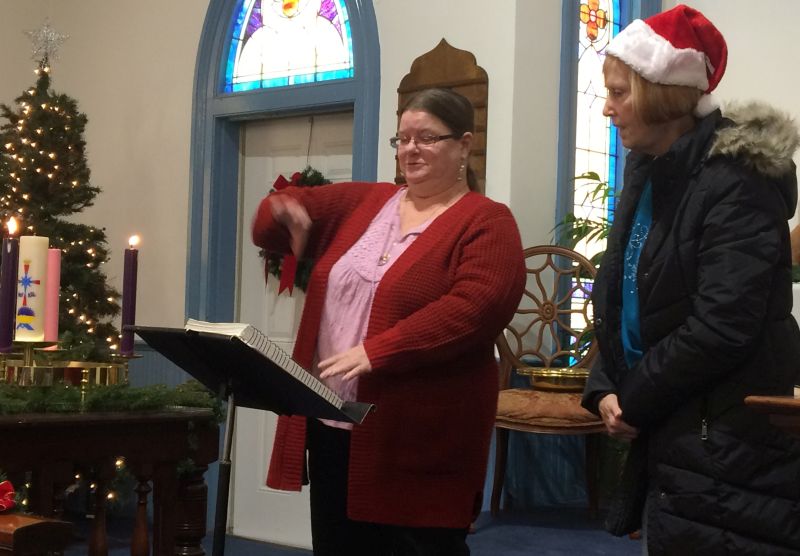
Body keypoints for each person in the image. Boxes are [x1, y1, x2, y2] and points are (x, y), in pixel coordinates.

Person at [251, 88, 525, 556]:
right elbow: (273, 220)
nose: (410, 149)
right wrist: (281, 209)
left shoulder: (487, 220)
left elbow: (478, 306)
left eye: (426, 138)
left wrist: (378, 350)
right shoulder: (367, 201)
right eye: (401, 139)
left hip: (420, 436)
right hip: (333, 421)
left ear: (464, 145)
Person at [581, 5, 800, 554]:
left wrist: (636, 398)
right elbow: (626, 291)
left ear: (663, 92)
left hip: (724, 434)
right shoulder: (652, 169)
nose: (607, 108)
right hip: (673, 420)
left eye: (619, 93)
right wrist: (606, 384)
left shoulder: (737, 178)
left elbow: (724, 323)